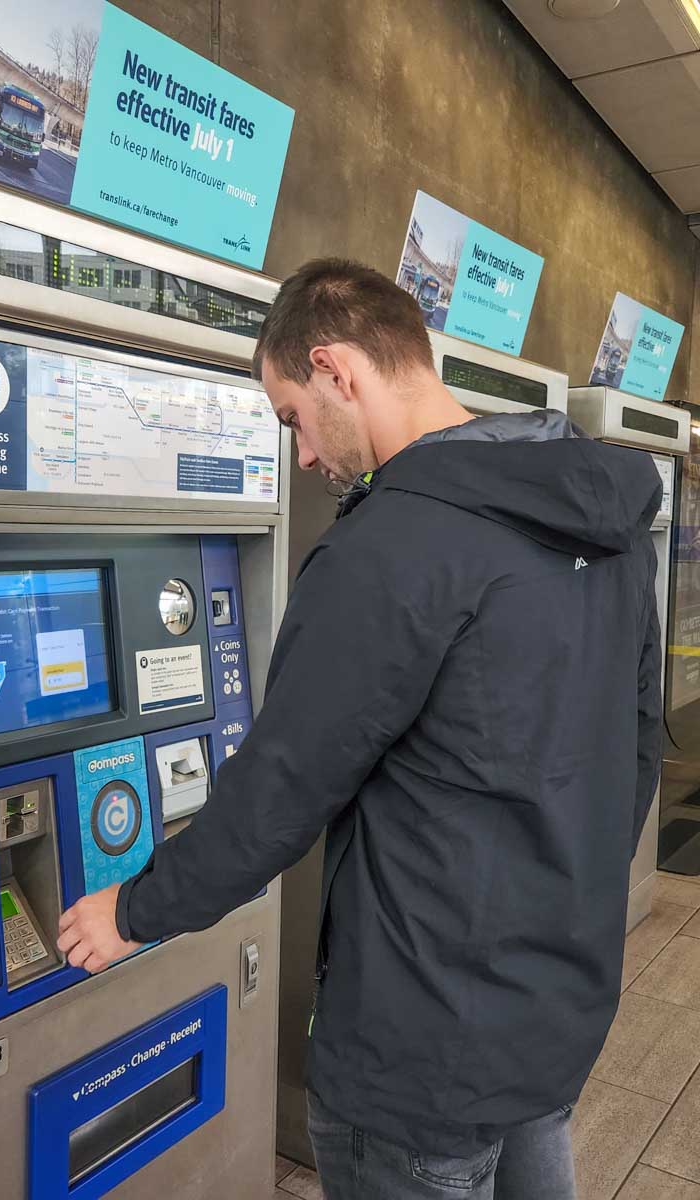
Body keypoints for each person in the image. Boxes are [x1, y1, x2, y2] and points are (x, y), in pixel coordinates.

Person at [57, 259, 662, 1199]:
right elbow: (634, 746)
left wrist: (134, 911)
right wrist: (564, 910)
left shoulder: (389, 545)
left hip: (417, 1047)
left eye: (292, 415)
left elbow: (280, 790)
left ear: (338, 369)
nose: (300, 455)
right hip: (554, 1008)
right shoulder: (603, 523)